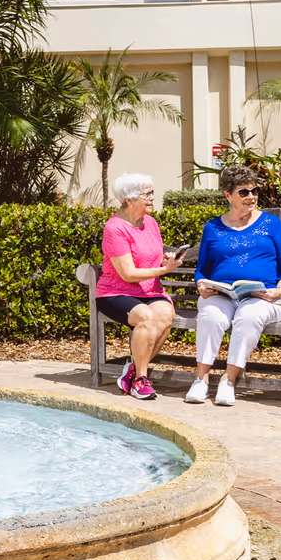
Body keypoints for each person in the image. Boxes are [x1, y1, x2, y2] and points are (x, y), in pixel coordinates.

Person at [189, 165, 281, 405]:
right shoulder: (213, 228)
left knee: (248, 316)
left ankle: (228, 380)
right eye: (244, 192)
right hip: (222, 294)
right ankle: (201, 379)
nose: (251, 197)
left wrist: (279, 289)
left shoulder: (272, 224)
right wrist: (201, 285)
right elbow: (202, 269)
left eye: (255, 191)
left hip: (265, 296)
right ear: (228, 195)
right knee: (211, 316)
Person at [96, 172, 184, 401]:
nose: (152, 198)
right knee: (145, 316)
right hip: (116, 291)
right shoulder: (115, 228)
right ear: (129, 199)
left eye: (151, 193)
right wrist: (165, 270)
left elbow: (150, 258)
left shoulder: (151, 223)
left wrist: (165, 259)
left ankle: (132, 372)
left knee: (165, 313)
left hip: (149, 290)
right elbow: (128, 273)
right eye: (147, 194)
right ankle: (139, 380)